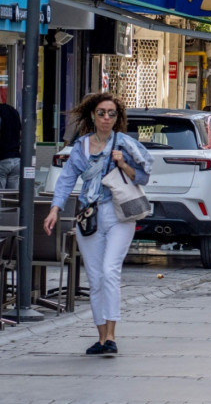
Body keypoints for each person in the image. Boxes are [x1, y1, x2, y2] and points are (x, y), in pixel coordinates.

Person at [44, 93, 153, 356]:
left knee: (109, 270)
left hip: (118, 214)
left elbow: (143, 176)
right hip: (90, 216)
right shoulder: (81, 147)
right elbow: (67, 180)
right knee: (94, 278)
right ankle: (101, 337)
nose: (106, 118)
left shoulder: (125, 144)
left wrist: (122, 163)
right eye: (102, 113)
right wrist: (54, 209)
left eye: (111, 113)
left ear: (118, 118)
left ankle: (112, 336)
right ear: (93, 115)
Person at [0, 102, 21, 190]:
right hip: (16, 159)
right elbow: (21, 133)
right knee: (12, 197)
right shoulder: (13, 111)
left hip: (2, 159)